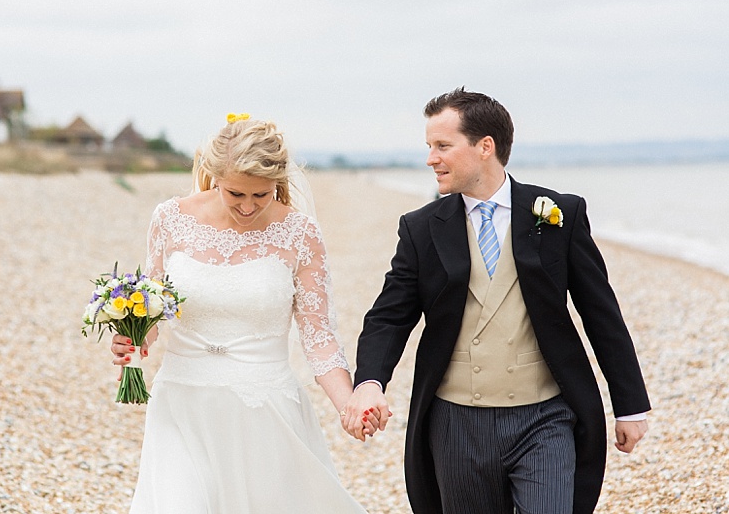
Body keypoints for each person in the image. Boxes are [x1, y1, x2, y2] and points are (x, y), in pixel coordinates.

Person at [342, 89, 651, 514]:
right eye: (429, 147)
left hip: (546, 417)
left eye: (442, 146)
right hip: (455, 423)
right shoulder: (421, 228)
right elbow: (389, 317)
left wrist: (630, 405)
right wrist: (370, 383)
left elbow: (600, 312)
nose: (431, 158)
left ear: (485, 147)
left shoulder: (559, 213)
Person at [109, 114, 375, 513]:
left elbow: (319, 341)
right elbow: (152, 313)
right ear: (214, 175)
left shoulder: (299, 234)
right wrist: (131, 338)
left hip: (265, 410)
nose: (248, 207)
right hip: (182, 404)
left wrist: (348, 406)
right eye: (236, 194)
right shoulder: (170, 219)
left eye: (261, 196)